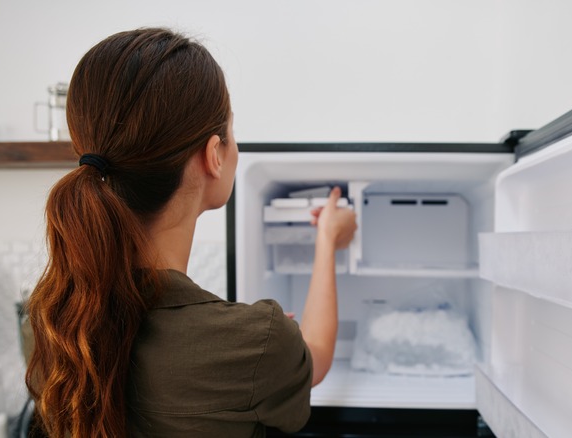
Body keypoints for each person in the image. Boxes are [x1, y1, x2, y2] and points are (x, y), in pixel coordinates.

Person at [24, 28, 357, 438]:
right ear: (213, 154)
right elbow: (317, 359)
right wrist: (327, 241)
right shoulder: (258, 342)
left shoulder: (58, 317)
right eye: (232, 133)